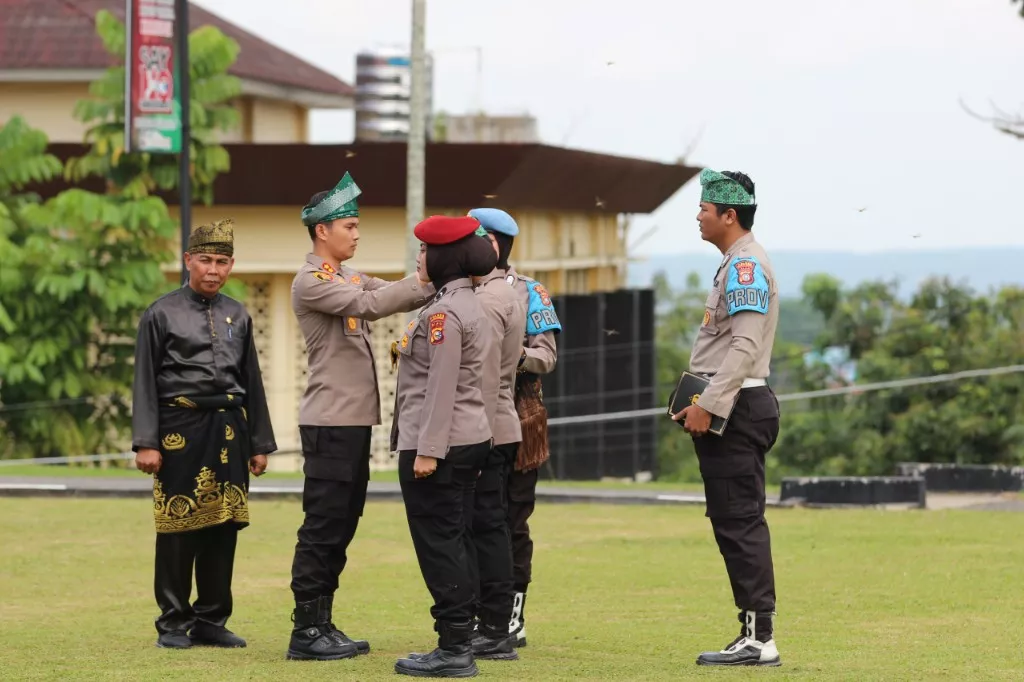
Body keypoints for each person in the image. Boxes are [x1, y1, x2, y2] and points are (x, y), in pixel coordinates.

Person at [286, 171, 435, 662]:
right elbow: (372, 304)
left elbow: (392, 290)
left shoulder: (347, 276)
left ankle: (322, 621)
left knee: (344, 521)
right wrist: (424, 279)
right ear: (321, 231)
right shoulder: (312, 281)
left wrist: (432, 280)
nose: (356, 233)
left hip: (350, 423)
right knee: (324, 522)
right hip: (329, 421)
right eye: (348, 225)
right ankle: (306, 630)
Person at [131, 219, 277, 650]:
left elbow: (252, 380)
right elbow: (143, 381)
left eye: (222, 261)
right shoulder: (160, 313)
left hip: (230, 429)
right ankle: (174, 622)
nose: (213, 269)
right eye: (205, 260)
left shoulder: (239, 313)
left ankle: (212, 619)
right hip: (179, 429)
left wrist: (260, 443)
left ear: (231, 265)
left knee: (223, 525)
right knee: (178, 525)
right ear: (188, 261)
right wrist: (146, 440)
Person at [671, 168, 782, 667]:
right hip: (731, 406)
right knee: (730, 520)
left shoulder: (744, 267)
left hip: (736, 408)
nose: (698, 215)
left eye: (704, 208)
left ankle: (760, 639)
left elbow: (744, 345)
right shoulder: (733, 264)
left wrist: (708, 404)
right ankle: (751, 632)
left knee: (739, 522)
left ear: (729, 215)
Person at [390, 215, 497, 678]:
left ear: (441, 257)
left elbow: (440, 385)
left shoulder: (443, 314)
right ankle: (460, 636)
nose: (419, 259)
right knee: (454, 537)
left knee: (439, 543)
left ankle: (454, 645)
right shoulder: (474, 305)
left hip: (440, 442)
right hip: (472, 436)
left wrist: (429, 451)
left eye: (423, 252)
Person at [464, 208, 527, 660]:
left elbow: (540, 355)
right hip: (493, 419)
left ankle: (499, 623)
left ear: (494, 244)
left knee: (497, 525)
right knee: (482, 526)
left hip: (497, 420)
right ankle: (488, 620)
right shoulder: (474, 290)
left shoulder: (510, 294)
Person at [504, 242, 562, 648]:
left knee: (512, 521)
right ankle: (479, 610)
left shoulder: (530, 291)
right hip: (471, 422)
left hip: (521, 419)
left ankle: (512, 614)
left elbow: (547, 356)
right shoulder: (457, 288)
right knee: (472, 520)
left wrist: (512, 353)